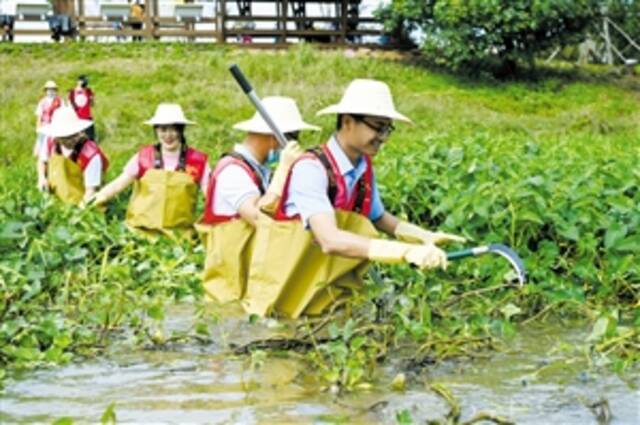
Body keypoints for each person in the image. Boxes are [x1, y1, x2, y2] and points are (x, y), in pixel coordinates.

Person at [243, 79, 465, 318]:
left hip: (329, 296)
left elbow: (379, 217)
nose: (383, 137)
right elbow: (329, 239)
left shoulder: (362, 168)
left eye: (387, 129)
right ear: (348, 121)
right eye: (378, 127)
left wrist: (423, 237)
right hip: (285, 299)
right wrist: (404, 252)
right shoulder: (311, 169)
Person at [197, 96, 317, 303]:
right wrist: (284, 167)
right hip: (231, 289)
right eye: (293, 137)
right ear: (273, 137)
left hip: (255, 282)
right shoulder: (232, 171)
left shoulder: (260, 172)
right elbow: (260, 218)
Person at [90, 104, 210, 236]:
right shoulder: (143, 157)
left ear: (181, 130)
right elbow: (118, 184)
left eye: (173, 129)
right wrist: (96, 199)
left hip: (180, 236)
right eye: (163, 130)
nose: (168, 135)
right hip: (140, 232)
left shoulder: (198, 161)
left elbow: (210, 195)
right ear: (156, 130)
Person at [37, 106, 109, 205]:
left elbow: (91, 190)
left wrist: (79, 211)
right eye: (65, 137)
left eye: (73, 136)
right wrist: (41, 178)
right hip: (56, 195)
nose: (70, 140)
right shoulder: (50, 141)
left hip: (82, 195)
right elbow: (42, 160)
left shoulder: (91, 154)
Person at [34, 81, 63, 157]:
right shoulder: (42, 102)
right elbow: (39, 116)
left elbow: (63, 113)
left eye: (53, 89)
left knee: (55, 145)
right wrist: (38, 127)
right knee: (42, 145)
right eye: (49, 89)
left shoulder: (60, 101)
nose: (51, 91)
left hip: (56, 126)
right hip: (45, 126)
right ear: (46, 90)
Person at [68, 75, 96, 141]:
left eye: (86, 81)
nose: (85, 82)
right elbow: (70, 106)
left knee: (90, 139)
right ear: (78, 82)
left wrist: (92, 99)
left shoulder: (89, 91)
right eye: (83, 80)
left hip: (87, 117)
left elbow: (92, 104)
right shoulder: (72, 92)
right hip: (76, 118)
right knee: (77, 139)